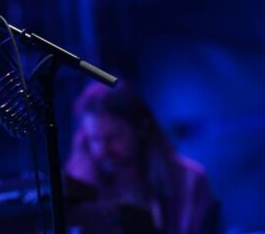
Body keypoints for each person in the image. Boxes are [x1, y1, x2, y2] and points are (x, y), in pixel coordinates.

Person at [65, 82, 220, 234]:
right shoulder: (80, 187)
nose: (102, 150)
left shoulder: (189, 180)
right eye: (94, 139)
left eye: (113, 137)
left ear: (141, 129)